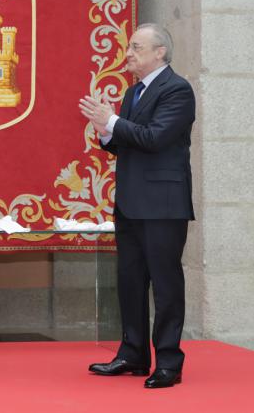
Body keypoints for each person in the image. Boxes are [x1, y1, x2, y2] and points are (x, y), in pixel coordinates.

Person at [79, 23, 195, 389]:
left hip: (163, 204)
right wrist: (106, 129)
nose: (127, 54)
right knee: (129, 282)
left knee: (165, 284)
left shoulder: (177, 89)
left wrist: (113, 120)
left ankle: (168, 362)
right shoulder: (134, 92)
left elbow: (156, 138)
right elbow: (126, 143)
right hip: (130, 202)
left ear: (160, 51)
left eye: (135, 47)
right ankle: (132, 353)